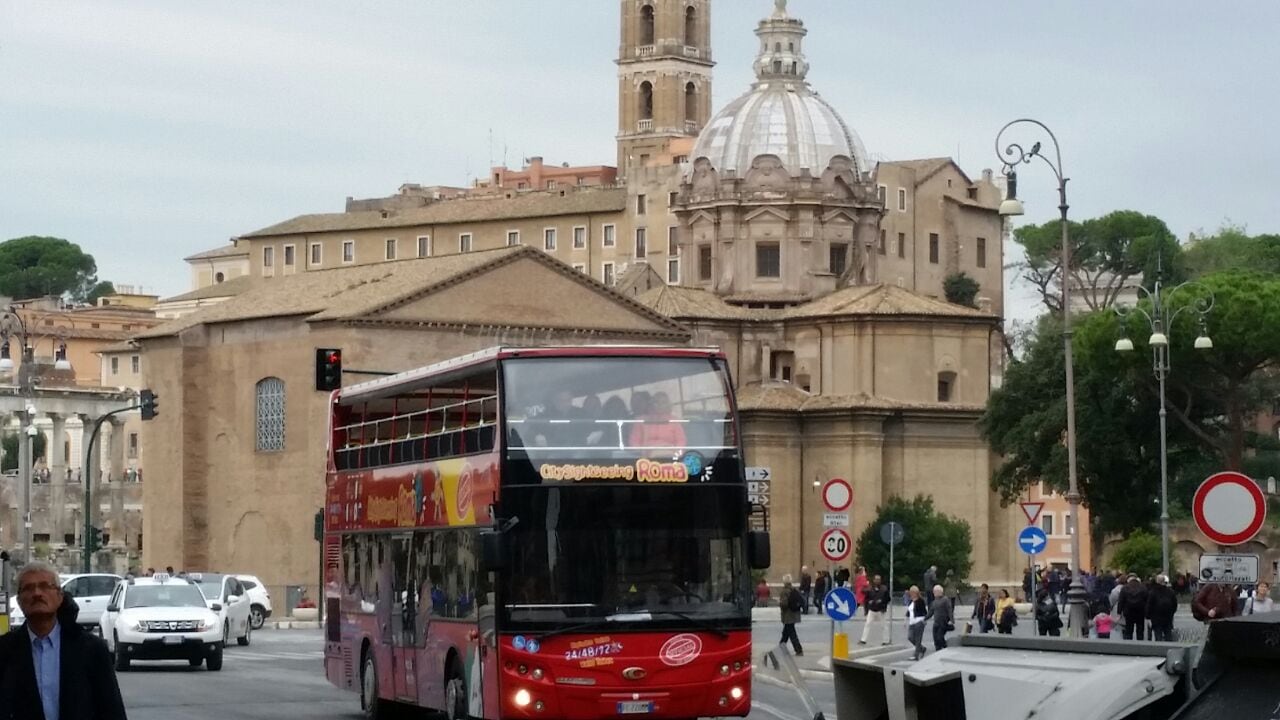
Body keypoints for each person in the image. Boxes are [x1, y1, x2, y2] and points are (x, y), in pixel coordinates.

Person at [0, 561, 128, 719]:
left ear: (60, 596)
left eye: (45, 586)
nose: (37, 593)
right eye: (28, 588)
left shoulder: (91, 649)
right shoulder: (5, 651)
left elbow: (112, 710)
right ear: (19, 601)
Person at [859, 575, 891, 646]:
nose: (877, 581)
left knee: (884, 625)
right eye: (876, 580)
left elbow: (888, 599)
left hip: (881, 610)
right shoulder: (870, 589)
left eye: (878, 580)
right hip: (872, 609)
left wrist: (882, 602)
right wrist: (867, 607)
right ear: (873, 580)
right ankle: (863, 640)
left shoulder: (884, 589)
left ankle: (886, 640)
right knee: (867, 624)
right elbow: (866, 599)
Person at [1145, 574, 1178, 642]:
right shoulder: (1170, 591)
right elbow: (1175, 604)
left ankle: (1159, 649)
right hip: (1168, 617)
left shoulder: (1153, 592)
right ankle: (1169, 648)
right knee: (1168, 634)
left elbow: (1149, 605)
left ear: (1157, 581)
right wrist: (1171, 613)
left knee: (1158, 635)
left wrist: (1148, 617)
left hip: (1156, 618)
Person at [1117, 574, 1148, 640]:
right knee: (1140, 630)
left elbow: (1121, 601)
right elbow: (1147, 600)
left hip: (1128, 612)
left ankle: (1129, 645)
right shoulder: (1143, 587)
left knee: (1128, 630)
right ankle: (1140, 643)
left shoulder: (1125, 588)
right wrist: (1147, 613)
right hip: (1140, 612)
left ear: (1128, 579)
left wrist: (1119, 612)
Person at [779, 574, 804, 656]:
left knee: (791, 633)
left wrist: (779, 603)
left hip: (787, 615)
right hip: (794, 614)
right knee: (786, 632)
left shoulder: (784, 591)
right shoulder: (793, 589)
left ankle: (798, 649)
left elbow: (784, 604)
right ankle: (781, 648)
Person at [926, 585, 953, 651]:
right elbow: (931, 612)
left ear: (939, 592)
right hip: (936, 623)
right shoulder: (934, 602)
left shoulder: (945, 600)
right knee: (935, 639)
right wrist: (924, 618)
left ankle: (945, 647)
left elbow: (949, 610)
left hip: (943, 623)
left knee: (939, 638)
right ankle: (938, 651)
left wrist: (951, 620)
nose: (933, 593)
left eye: (935, 591)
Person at [905, 586, 928, 661]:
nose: (912, 594)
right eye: (911, 592)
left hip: (919, 621)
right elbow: (908, 612)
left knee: (918, 639)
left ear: (917, 593)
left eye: (913, 592)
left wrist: (924, 620)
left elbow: (925, 612)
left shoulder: (920, 601)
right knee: (910, 637)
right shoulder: (911, 601)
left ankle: (916, 655)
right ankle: (922, 648)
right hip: (912, 622)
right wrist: (905, 621)